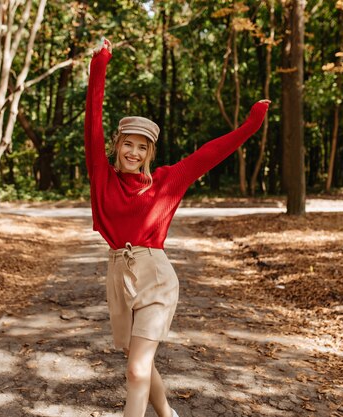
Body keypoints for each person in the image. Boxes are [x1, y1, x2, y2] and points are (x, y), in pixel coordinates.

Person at [84, 38, 270, 417]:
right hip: (119, 275)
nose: (133, 153)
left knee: (136, 370)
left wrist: (251, 124)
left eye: (141, 147)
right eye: (127, 145)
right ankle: (168, 413)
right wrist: (99, 65)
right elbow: (93, 120)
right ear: (117, 146)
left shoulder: (168, 180)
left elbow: (212, 152)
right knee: (136, 358)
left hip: (156, 276)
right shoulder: (102, 175)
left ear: (150, 152)